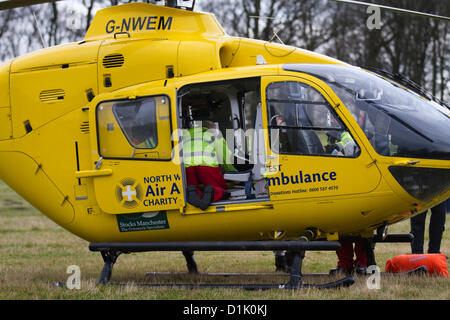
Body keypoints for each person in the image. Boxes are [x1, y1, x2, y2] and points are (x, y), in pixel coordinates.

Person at [183, 120, 236, 210]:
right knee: (217, 187)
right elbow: (224, 157)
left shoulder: (185, 135)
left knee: (191, 187)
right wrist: (232, 172)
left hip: (186, 167)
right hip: (206, 165)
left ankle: (192, 191)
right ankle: (212, 193)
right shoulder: (214, 135)